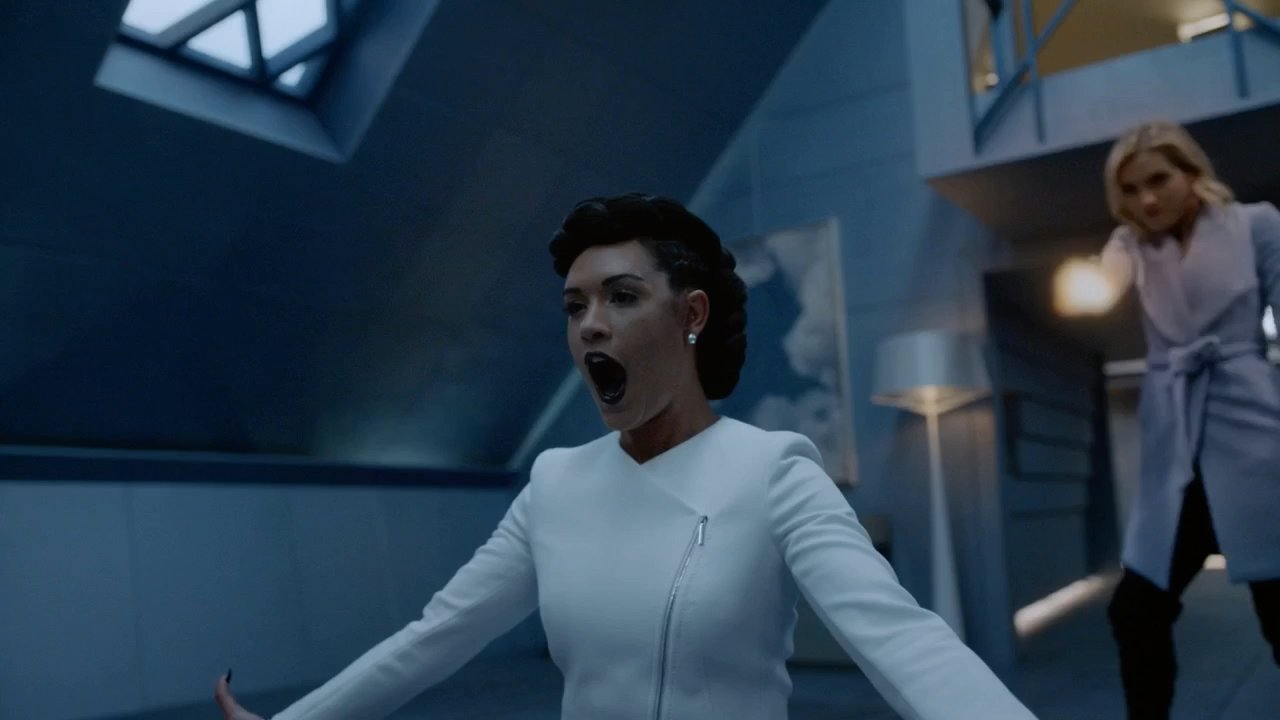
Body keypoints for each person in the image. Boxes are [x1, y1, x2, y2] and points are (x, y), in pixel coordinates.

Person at [216, 193, 1036, 719]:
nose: (591, 325)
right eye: (575, 307)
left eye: (622, 296)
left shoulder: (775, 469)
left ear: (691, 316)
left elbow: (903, 641)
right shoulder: (555, 482)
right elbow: (437, 635)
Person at [1097, 121, 1280, 720]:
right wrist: (1100, 280)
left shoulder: (1255, 225)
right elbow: (1105, 280)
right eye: (1130, 189)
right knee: (1135, 610)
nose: (1147, 200)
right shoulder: (1131, 245)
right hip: (1179, 455)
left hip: (1256, 444)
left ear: (1191, 172)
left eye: (1159, 180)